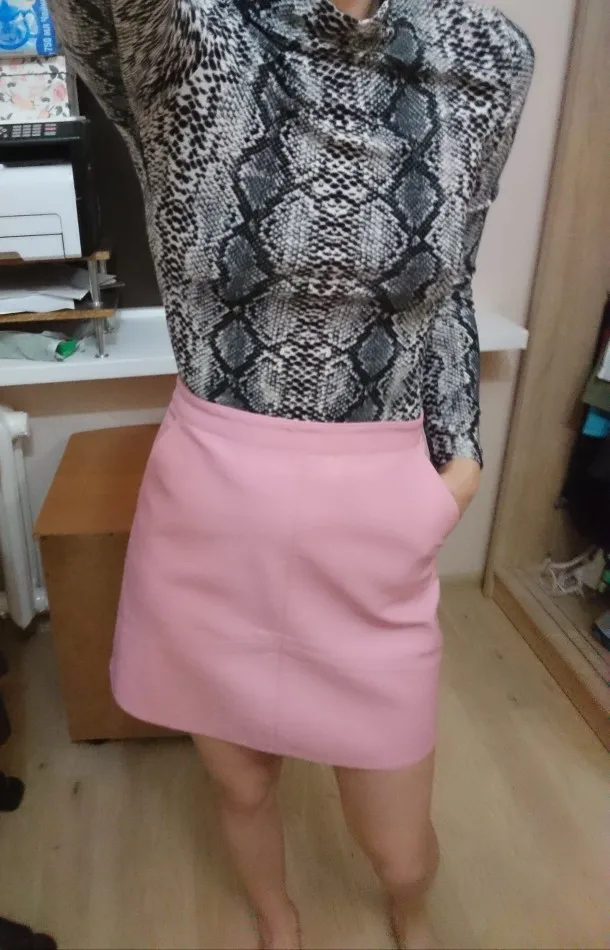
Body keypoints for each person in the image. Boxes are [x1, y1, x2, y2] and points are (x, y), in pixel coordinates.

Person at [49, 1, 533, 946]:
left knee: (400, 849)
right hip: (212, 520)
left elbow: (452, 286)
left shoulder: (485, 55)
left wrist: (462, 462)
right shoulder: (186, 30)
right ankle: (277, 919)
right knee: (240, 784)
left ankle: (408, 909)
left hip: (376, 522)